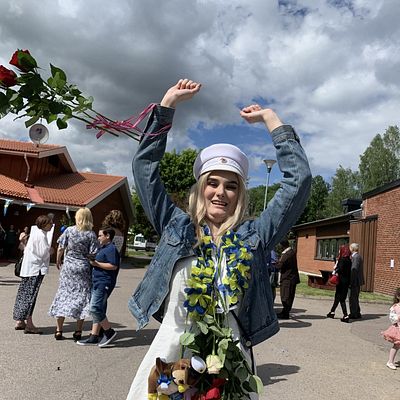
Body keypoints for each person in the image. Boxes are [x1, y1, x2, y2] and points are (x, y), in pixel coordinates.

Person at [126, 78, 311, 400]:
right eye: (213, 182)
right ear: (200, 188)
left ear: (240, 193)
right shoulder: (176, 225)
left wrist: (272, 121)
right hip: (171, 355)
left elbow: (299, 181)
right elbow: (144, 169)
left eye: (232, 185)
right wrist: (167, 105)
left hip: (229, 361)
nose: (221, 192)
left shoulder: (255, 235)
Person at [48, 208, 99, 341]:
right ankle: (78, 331)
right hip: (83, 268)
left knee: (63, 295)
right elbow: (94, 253)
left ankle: (59, 330)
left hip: (69, 267)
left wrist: (58, 260)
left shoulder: (69, 230)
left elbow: (60, 247)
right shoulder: (91, 234)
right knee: (81, 297)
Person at [77, 227, 120, 347]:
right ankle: (94, 335)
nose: (98, 237)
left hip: (104, 283)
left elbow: (113, 265)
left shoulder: (111, 249)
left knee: (95, 308)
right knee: (99, 309)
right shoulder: (103, 248)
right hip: (96, 282)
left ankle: (109, 332)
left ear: (107, 236)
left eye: (100, 235)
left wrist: (96, 263)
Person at [13, 215, 54, 333]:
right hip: (36, 270)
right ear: (44, 224)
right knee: (31, 296)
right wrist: (50, 251)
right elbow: (42, 254)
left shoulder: (34, 233)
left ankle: (20, 320)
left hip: (28, 269)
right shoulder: (41, 236)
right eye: (50, 223)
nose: (51, 225)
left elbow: (26, 250)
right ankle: (29, 324)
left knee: (23, 294)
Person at [326, 244, 352, 322]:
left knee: (341, 298)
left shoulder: (342, 260)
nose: (339, 251)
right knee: (337, 296)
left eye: (340, 250)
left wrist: (336, 268)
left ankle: (345, 315)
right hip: (346, 281)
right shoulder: (349, 260)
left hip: (340, 281)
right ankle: (332, 312)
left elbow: (339, 269)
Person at [276, 238, 300, 319]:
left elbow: (280, 265)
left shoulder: (287, 254)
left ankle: (285, 313)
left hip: (288, 278)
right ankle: (285, 311)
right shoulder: (291, 252)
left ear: (282, 245)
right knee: (288, 295)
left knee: (286, 296)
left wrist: (273, 265)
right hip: (290, 277)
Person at [382, 288, 400, 370]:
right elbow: (392, 318)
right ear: (398, 296)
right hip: (398, 328)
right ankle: (390, 361)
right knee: (397, 345)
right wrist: (398, 317)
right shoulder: (395, 307)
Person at [349, 243, 364, 320]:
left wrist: (351, 281)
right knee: (355, 297)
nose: (349, 249)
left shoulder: (356, 257)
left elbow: (354, 269)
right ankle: (357, 312)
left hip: (355, 281)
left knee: (353, 298)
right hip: (356, 281)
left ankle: (354, 314)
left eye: (350, 247)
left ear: (352, 248)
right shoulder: (356, 256)